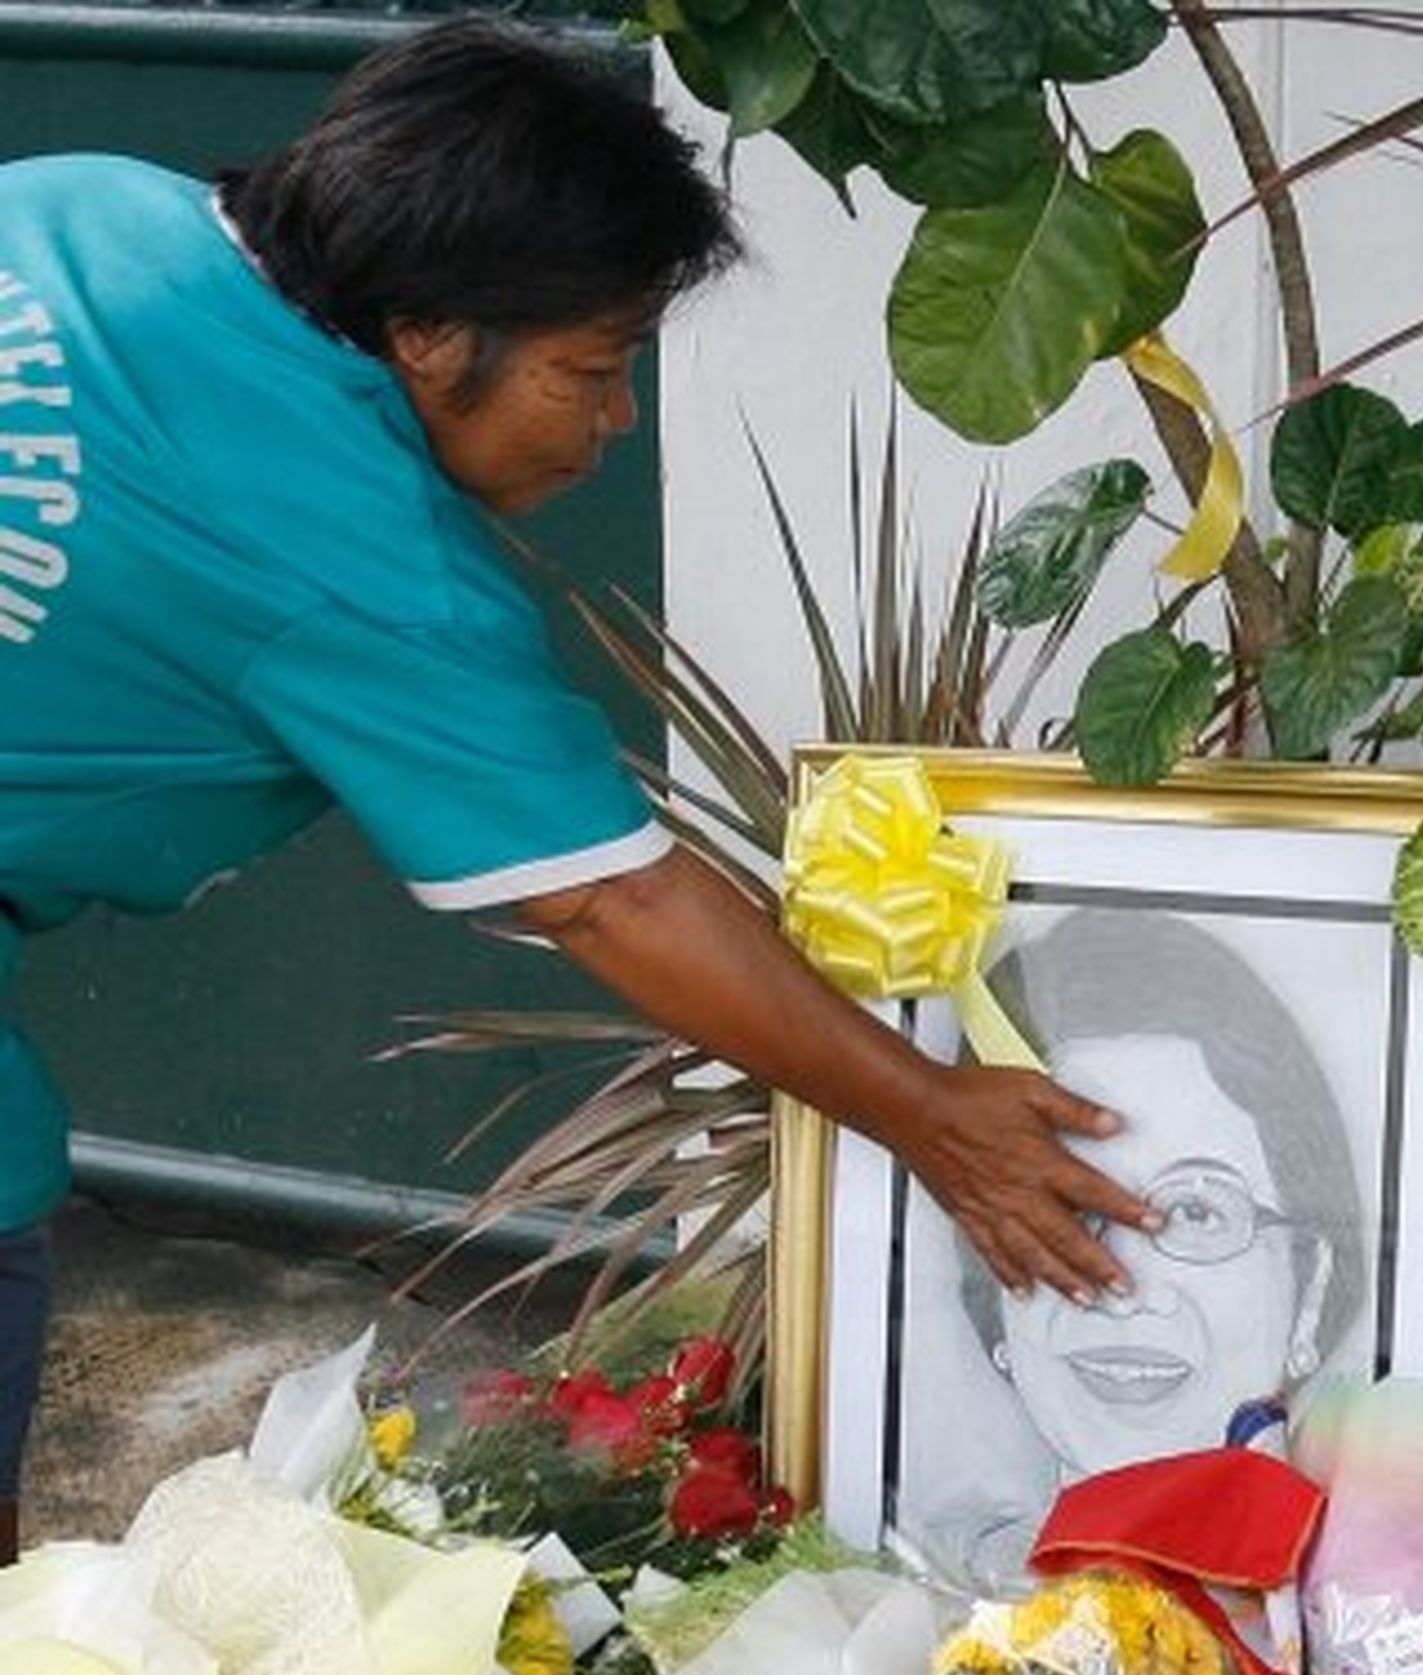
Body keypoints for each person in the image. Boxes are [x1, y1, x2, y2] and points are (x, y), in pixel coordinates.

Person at [0, 17, 1152, 1565]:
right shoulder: (361, 561)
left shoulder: (81, 209)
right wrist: (936, 1116)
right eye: (589, 369)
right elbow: (611, 891)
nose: (611, 426)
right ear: (423, 330)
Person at [900, 906, 1369, 1589]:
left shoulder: (1385, 1620)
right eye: (1063, 1207)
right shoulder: (917, 1599)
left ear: (1315, 1282)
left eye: (1198, 1210)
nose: (1121, 1281)